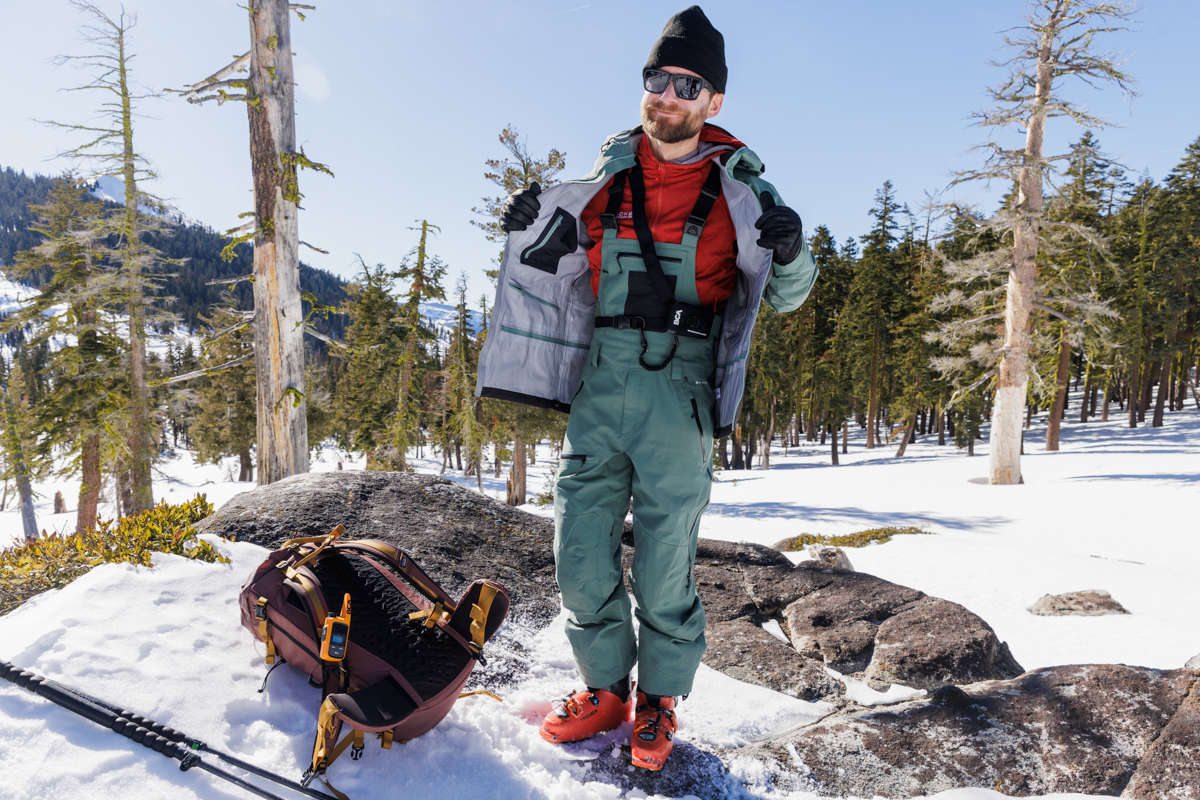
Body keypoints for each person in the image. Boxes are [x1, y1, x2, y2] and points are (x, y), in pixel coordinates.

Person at [475, 5, 818, 771]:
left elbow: (787, 293)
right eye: (657, 80)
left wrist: (792, 252)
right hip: (603, 380)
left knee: (667, 555)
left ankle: (660, 700)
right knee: (578, 546)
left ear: (714, 102)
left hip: (683, 388)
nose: (668, 96)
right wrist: (525, 224)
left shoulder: (744, 190)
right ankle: (604, 690)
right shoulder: (602, 178)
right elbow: (547, 271)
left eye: (687, 84)